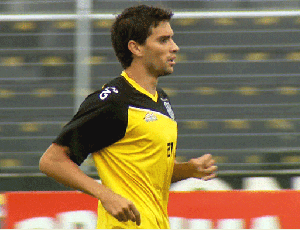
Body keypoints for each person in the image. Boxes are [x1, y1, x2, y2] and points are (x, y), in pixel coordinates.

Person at [39, 4, 217, 229]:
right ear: (136, 48)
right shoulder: (113, 101)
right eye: (163, 40)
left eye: (172, 39)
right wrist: (105, 195)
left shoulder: (161, 100)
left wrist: (188, 170)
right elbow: (52, 161)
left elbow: (148, 174)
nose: (175, 47)